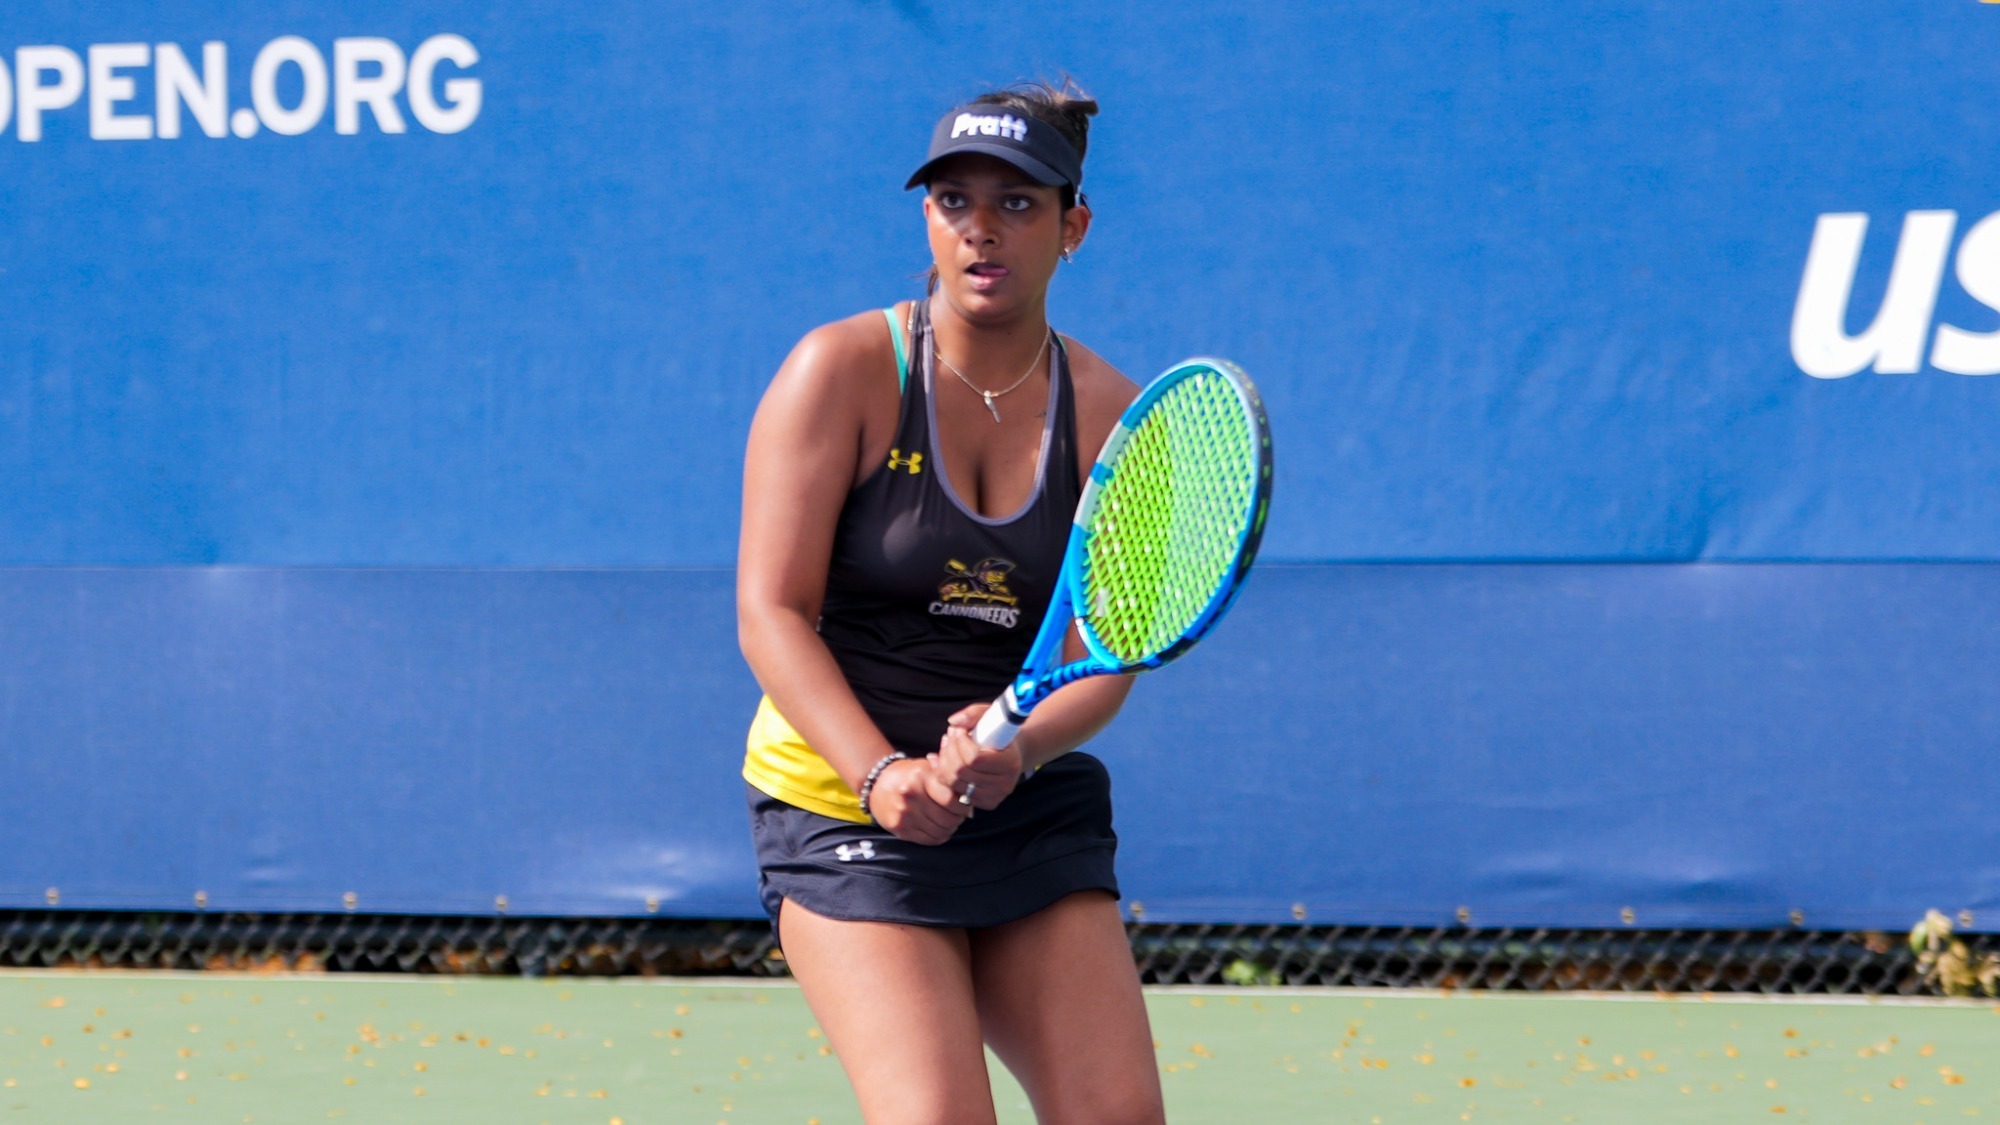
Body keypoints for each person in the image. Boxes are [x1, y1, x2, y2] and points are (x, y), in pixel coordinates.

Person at [736, 80, 1166, 1125]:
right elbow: (769, 612)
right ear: (925, 219)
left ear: (1073, 228)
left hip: (1019, 803)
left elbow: (1101, 656)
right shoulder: (835, 371)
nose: (981, 230)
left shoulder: (1114, 416)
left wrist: (1015, 747)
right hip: (841, 804)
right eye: (953, 202)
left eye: (1018, 204)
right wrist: (878, 773)